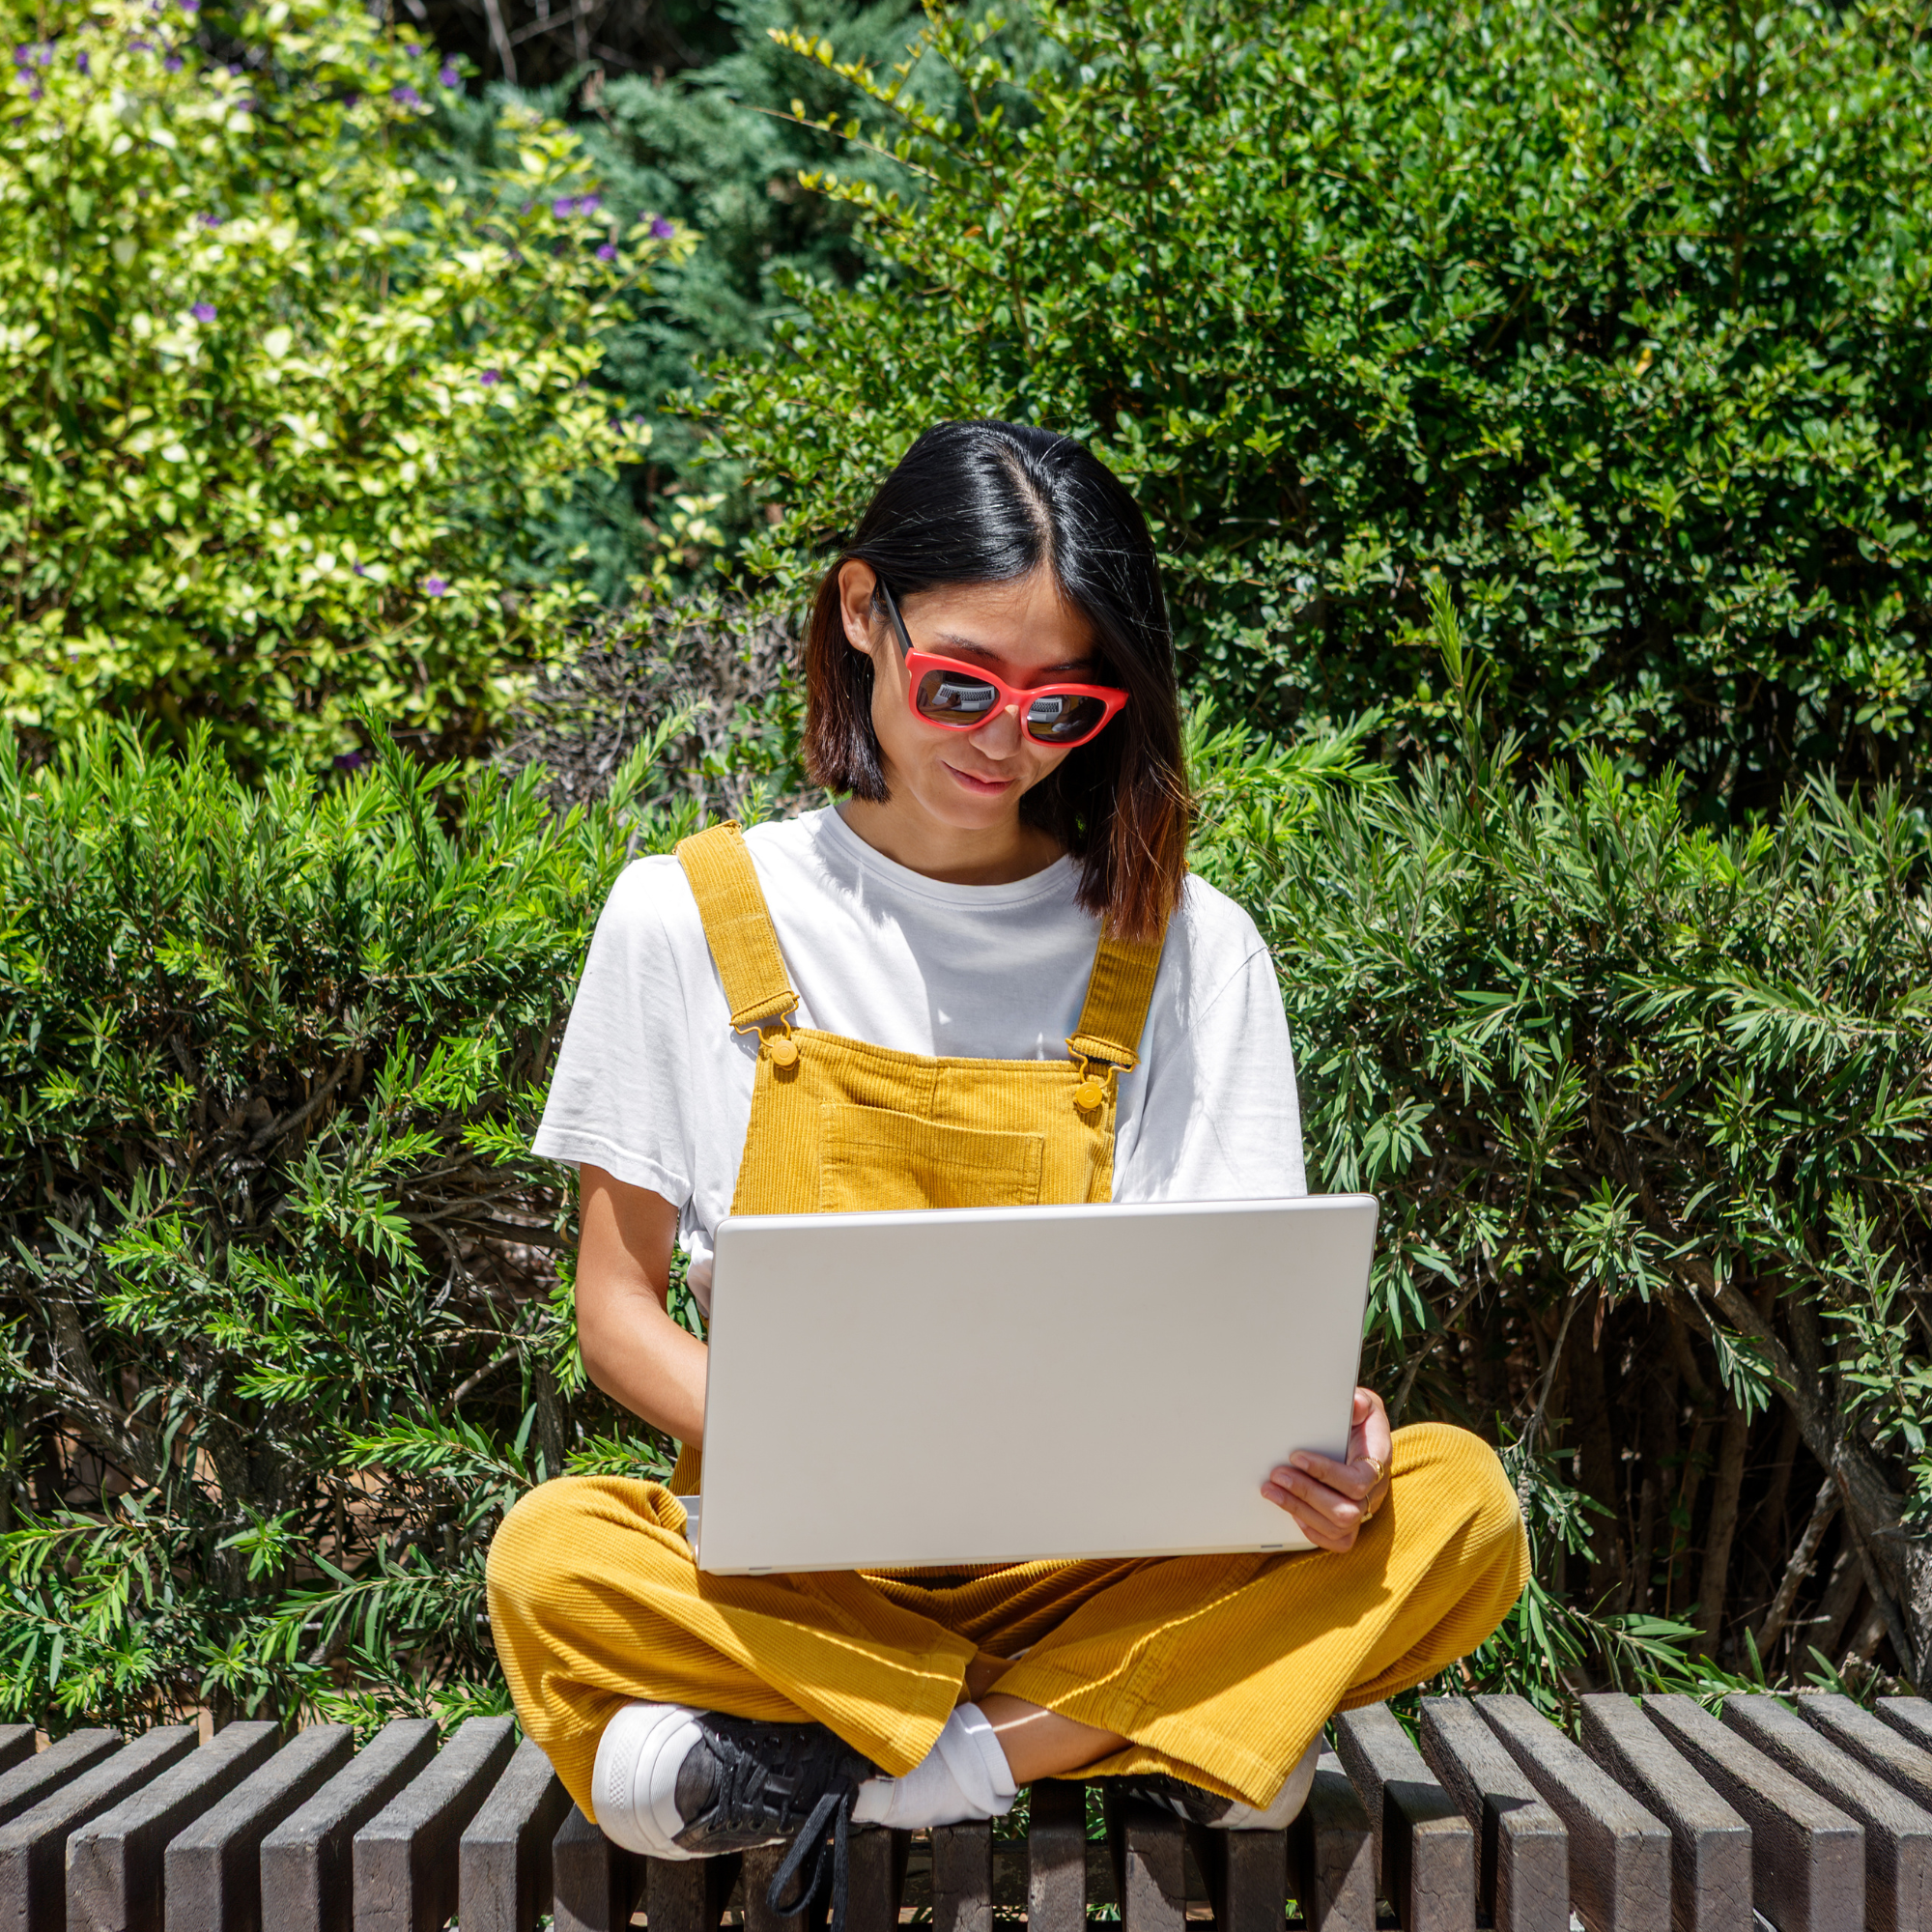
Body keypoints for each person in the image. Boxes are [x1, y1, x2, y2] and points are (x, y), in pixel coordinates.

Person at [487, 420, 1527, 1927]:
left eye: (1063, 703)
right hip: (803, 1568)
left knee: (1456, 1502)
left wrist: (1323, 1447)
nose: (1004, 738)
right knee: (556, 1552)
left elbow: (1240, 1313)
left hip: (1104, 1565)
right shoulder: (684, 914)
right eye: (961, 683)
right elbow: (617, 1315)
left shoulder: (1185, 939)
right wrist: (831, 1446)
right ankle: (1140, 1732)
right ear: (863, 614)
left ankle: (895, 1767)